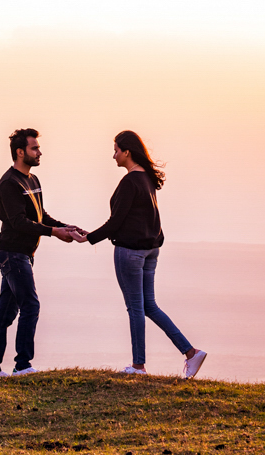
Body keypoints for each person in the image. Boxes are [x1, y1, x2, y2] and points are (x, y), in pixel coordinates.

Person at [77, 130, 207, 379]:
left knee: (135, 308)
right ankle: (191, 353)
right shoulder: (146, 178)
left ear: (127, 152)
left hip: (131, 252)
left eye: (116, 150)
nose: (113, 155)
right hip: (150, 250)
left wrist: (88, 237)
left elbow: (115, 223)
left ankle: (138, 366)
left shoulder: (130, 182)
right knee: (149, 306)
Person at [0, 128, 82, 378]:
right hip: (12, 254)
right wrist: (53, 232)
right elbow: (18, 222)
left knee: (5, 313)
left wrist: (63, 228)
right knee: (31, 306)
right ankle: (23, 365)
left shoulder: (32, 180)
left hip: (23, 254)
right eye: (34, 148)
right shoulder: (9, 183)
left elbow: (40, 216)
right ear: (20, 152)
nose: (39, 152)